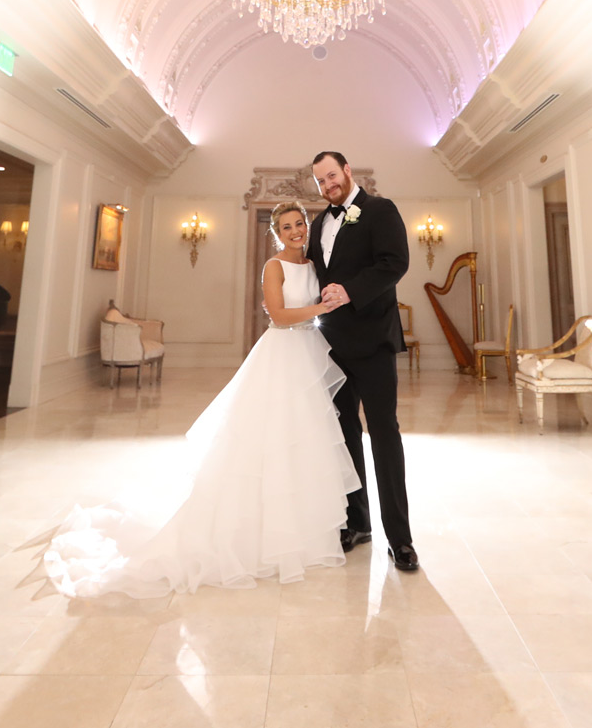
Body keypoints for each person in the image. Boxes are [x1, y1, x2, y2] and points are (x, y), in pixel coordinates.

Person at [44, 202, 358, 598]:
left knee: (304, 439)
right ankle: (257, 532)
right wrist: (321, 307)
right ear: (276, 233)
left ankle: (302, 528)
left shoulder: (314, 266)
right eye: (286, 227)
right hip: (282, 355)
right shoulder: (273, 267)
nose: (295, 231)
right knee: (269, 438)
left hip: (310, 354)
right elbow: (279, 316)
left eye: (299, 224)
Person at [309, 151, 419, 572]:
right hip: (332, 347)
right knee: (344, 435)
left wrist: (350, 291)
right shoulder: (319, 223)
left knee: (384, 435)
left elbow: (395, 263)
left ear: (347, 171)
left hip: (374, 343)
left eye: (331, 176)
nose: (328, 185)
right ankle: (358, 523)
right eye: (320, 181)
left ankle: (401, 539)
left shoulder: (380, 210)